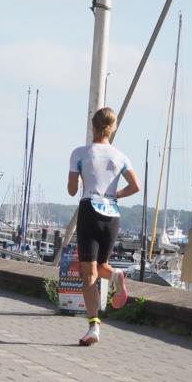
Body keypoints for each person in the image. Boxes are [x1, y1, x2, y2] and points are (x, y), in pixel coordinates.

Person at [67, 107, 141, 347]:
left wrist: (81, 179)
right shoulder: (121, 156)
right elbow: (135, 186)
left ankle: (93, 326)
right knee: (101, 266)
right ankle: (117, 274)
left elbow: (70, 190)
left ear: (92, 126)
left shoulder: (80, 153)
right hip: (112, 213)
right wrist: (115, 193)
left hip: (90, 209)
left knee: (88, 274)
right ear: (113, 127)